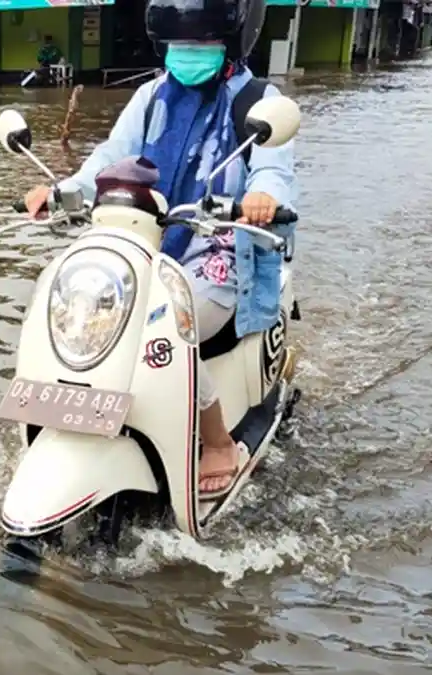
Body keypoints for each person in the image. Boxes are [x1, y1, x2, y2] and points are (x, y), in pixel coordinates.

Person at [22, 0, 297, 498]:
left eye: (200, 44)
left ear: (231, 41)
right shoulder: (152, 97)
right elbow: (110, 157)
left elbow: (272, 168)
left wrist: (263, 199)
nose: (187, 53)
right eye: (177, 45)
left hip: (220, 253)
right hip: (145, 246)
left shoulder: (257, 100)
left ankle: (215, 442)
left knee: (168, 325)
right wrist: (63, 189)